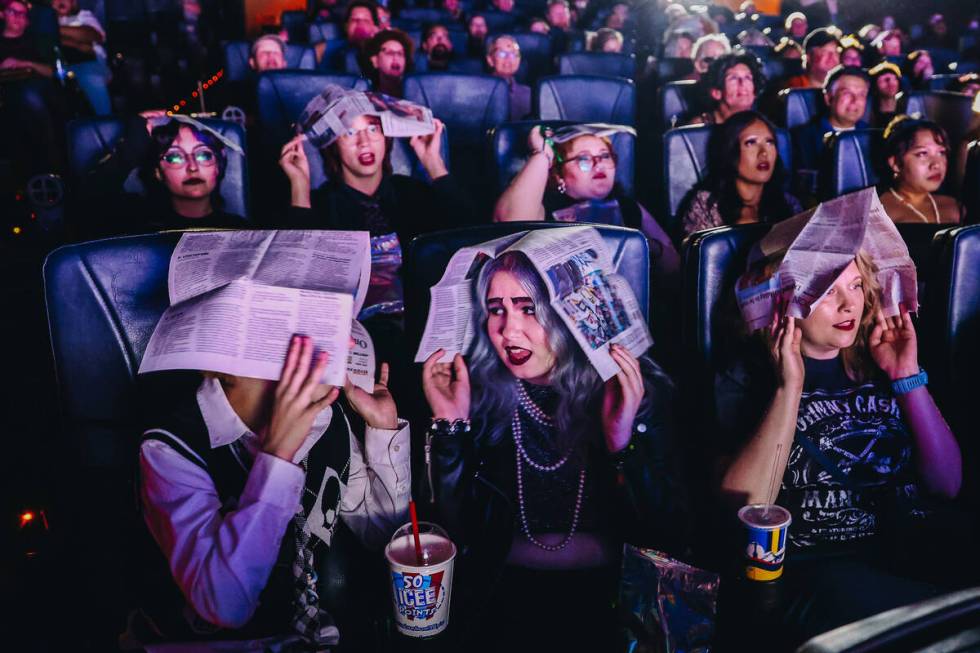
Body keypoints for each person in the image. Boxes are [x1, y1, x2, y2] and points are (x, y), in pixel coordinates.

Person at [421, 250, 687, 651]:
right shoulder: (476, 393)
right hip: (502, 601)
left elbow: (668, 534)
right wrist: (451, 428)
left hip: (615, 605)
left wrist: (621, 442)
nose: (509, 331)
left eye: (529, 309)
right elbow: (456, 537)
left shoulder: (634, 390)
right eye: (497, 309)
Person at [715, 237, 965, 644]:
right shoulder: (746, 376)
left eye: (855, 286)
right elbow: (745, 506)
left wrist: (906, 376)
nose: (849, 305)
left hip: (906, 550)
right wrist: (789, 388)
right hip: (815, 572)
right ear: (785, 300)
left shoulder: (878, 361)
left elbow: (947, 484)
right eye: (828, 291)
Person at [137, 332, 410, 648]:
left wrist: (384, 427)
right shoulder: (168, 451)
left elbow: (380, 533)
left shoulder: (325, 418)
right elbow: (226, 606)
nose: (345, 341)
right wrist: (278, 455)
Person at [278, 87, 471, 317]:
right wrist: (299, 187)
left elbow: (468, 236)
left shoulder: (413, 193)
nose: (364, 142)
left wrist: (434, 164)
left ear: (385, 138)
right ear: (333, 146)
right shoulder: (318, 206)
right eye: (349, 133)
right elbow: (298, 276)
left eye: (372, 129)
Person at [493, 124, 680, 286]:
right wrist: (543, 154)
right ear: (559, 175)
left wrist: (648, 247)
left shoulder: (628, 207)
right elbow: (508, 219)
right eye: (583, 159)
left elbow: (675, 268)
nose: (598, 165)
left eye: (605, 156)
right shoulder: (544, 208)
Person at [83, 115, 247, 237]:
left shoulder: (242, 230)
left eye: (203, 155)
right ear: (158, 172)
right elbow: (89, 198)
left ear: (218, 166)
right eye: (175, 157)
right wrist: (136, 141)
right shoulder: (139, 226)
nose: (192, 167)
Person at [679, 110, 802, 236]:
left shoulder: (789, 204)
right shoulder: (706, 205)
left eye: (770, 142)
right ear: (730, 151)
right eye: (751, 143)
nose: (764, 153)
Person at [0, 0, 62, 176]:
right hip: (6, 93)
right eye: (13, 12)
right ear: (2, 14)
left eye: (22, 14)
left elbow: (52, 72)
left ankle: (52, 165)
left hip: (37, 91)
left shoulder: (35, 40)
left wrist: (24, 63)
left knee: (30, 97)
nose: (19, 17)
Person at [878, 117, 963, 224]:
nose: (936, 164)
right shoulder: (877, 213)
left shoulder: (956, 208)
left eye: (941, 152)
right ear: (895, 163)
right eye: (922, 154)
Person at [791, 65, 870, 175]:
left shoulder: (872, 136)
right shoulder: (802, 139)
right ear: (828, 98)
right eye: (847, 93)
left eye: (862, 95)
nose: (855, 100)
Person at [687, 52, 763, 126]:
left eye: (747, 78)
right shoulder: (699, 129)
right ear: (716, 93)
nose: (742, 83)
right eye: (733, 78)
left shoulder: (763, 127)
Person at [486, 35, 530, 120]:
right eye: (502, 54)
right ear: (490, 60)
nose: (508, 58)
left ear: (519, 60)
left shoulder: (528, 94)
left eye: (514, 54)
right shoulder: (479, 90)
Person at [366, 29, 412, 97]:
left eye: (400, 54)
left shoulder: (414, 93)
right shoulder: (367, 95)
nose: (396, 58)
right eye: (389, 53)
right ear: (375, 61)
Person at [868, 61, 902, 128]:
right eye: (886, 80)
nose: (891, 83)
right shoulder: (867, 112)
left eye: (894, 79)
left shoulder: (908, 107)